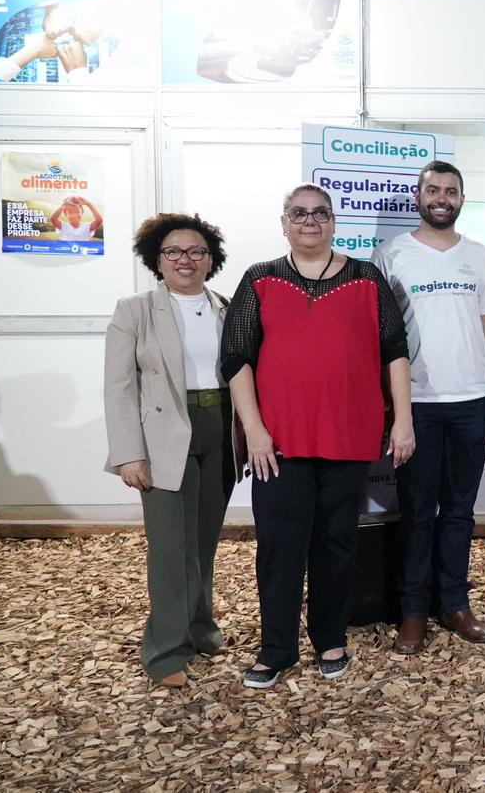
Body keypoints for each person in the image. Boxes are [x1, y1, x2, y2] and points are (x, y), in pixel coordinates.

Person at [221, 184, 413, 689]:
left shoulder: (367, 277)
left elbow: (395, 351)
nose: (310, 221)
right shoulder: (259, 279)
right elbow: (235, 359)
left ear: (334, 222)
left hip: (348, 436)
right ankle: (277, 647)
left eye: (320, 213)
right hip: (278, 444)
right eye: (299, 214)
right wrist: (255, 430)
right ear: (283, 223)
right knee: (280, 549)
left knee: (336, 545)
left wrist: (404, 420)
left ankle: (330, 638)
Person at [372, 161, 485, 654]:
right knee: (415, 514)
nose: (441, 198)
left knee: (459, 513)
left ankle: (454, 604)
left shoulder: (477, 255)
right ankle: (413, 612)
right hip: (418, 406)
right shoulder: (391, 254)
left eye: (451, 190)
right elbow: (383, 338)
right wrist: (393, 407)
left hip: (472, 403)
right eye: (433, 189)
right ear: (419, 195)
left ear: (461, 199)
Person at [105, 213, 236, 688]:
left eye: (197, 251)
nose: (186, 259)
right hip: (163, 437)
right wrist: (128, 453)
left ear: (211, 259)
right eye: (174, 252)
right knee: (169, 548)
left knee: (203, 540)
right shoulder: (134, 310)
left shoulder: (225, 306)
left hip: (219, 427)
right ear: (156, 259)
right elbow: (118, 387)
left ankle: (200, 626)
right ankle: (164, 650)